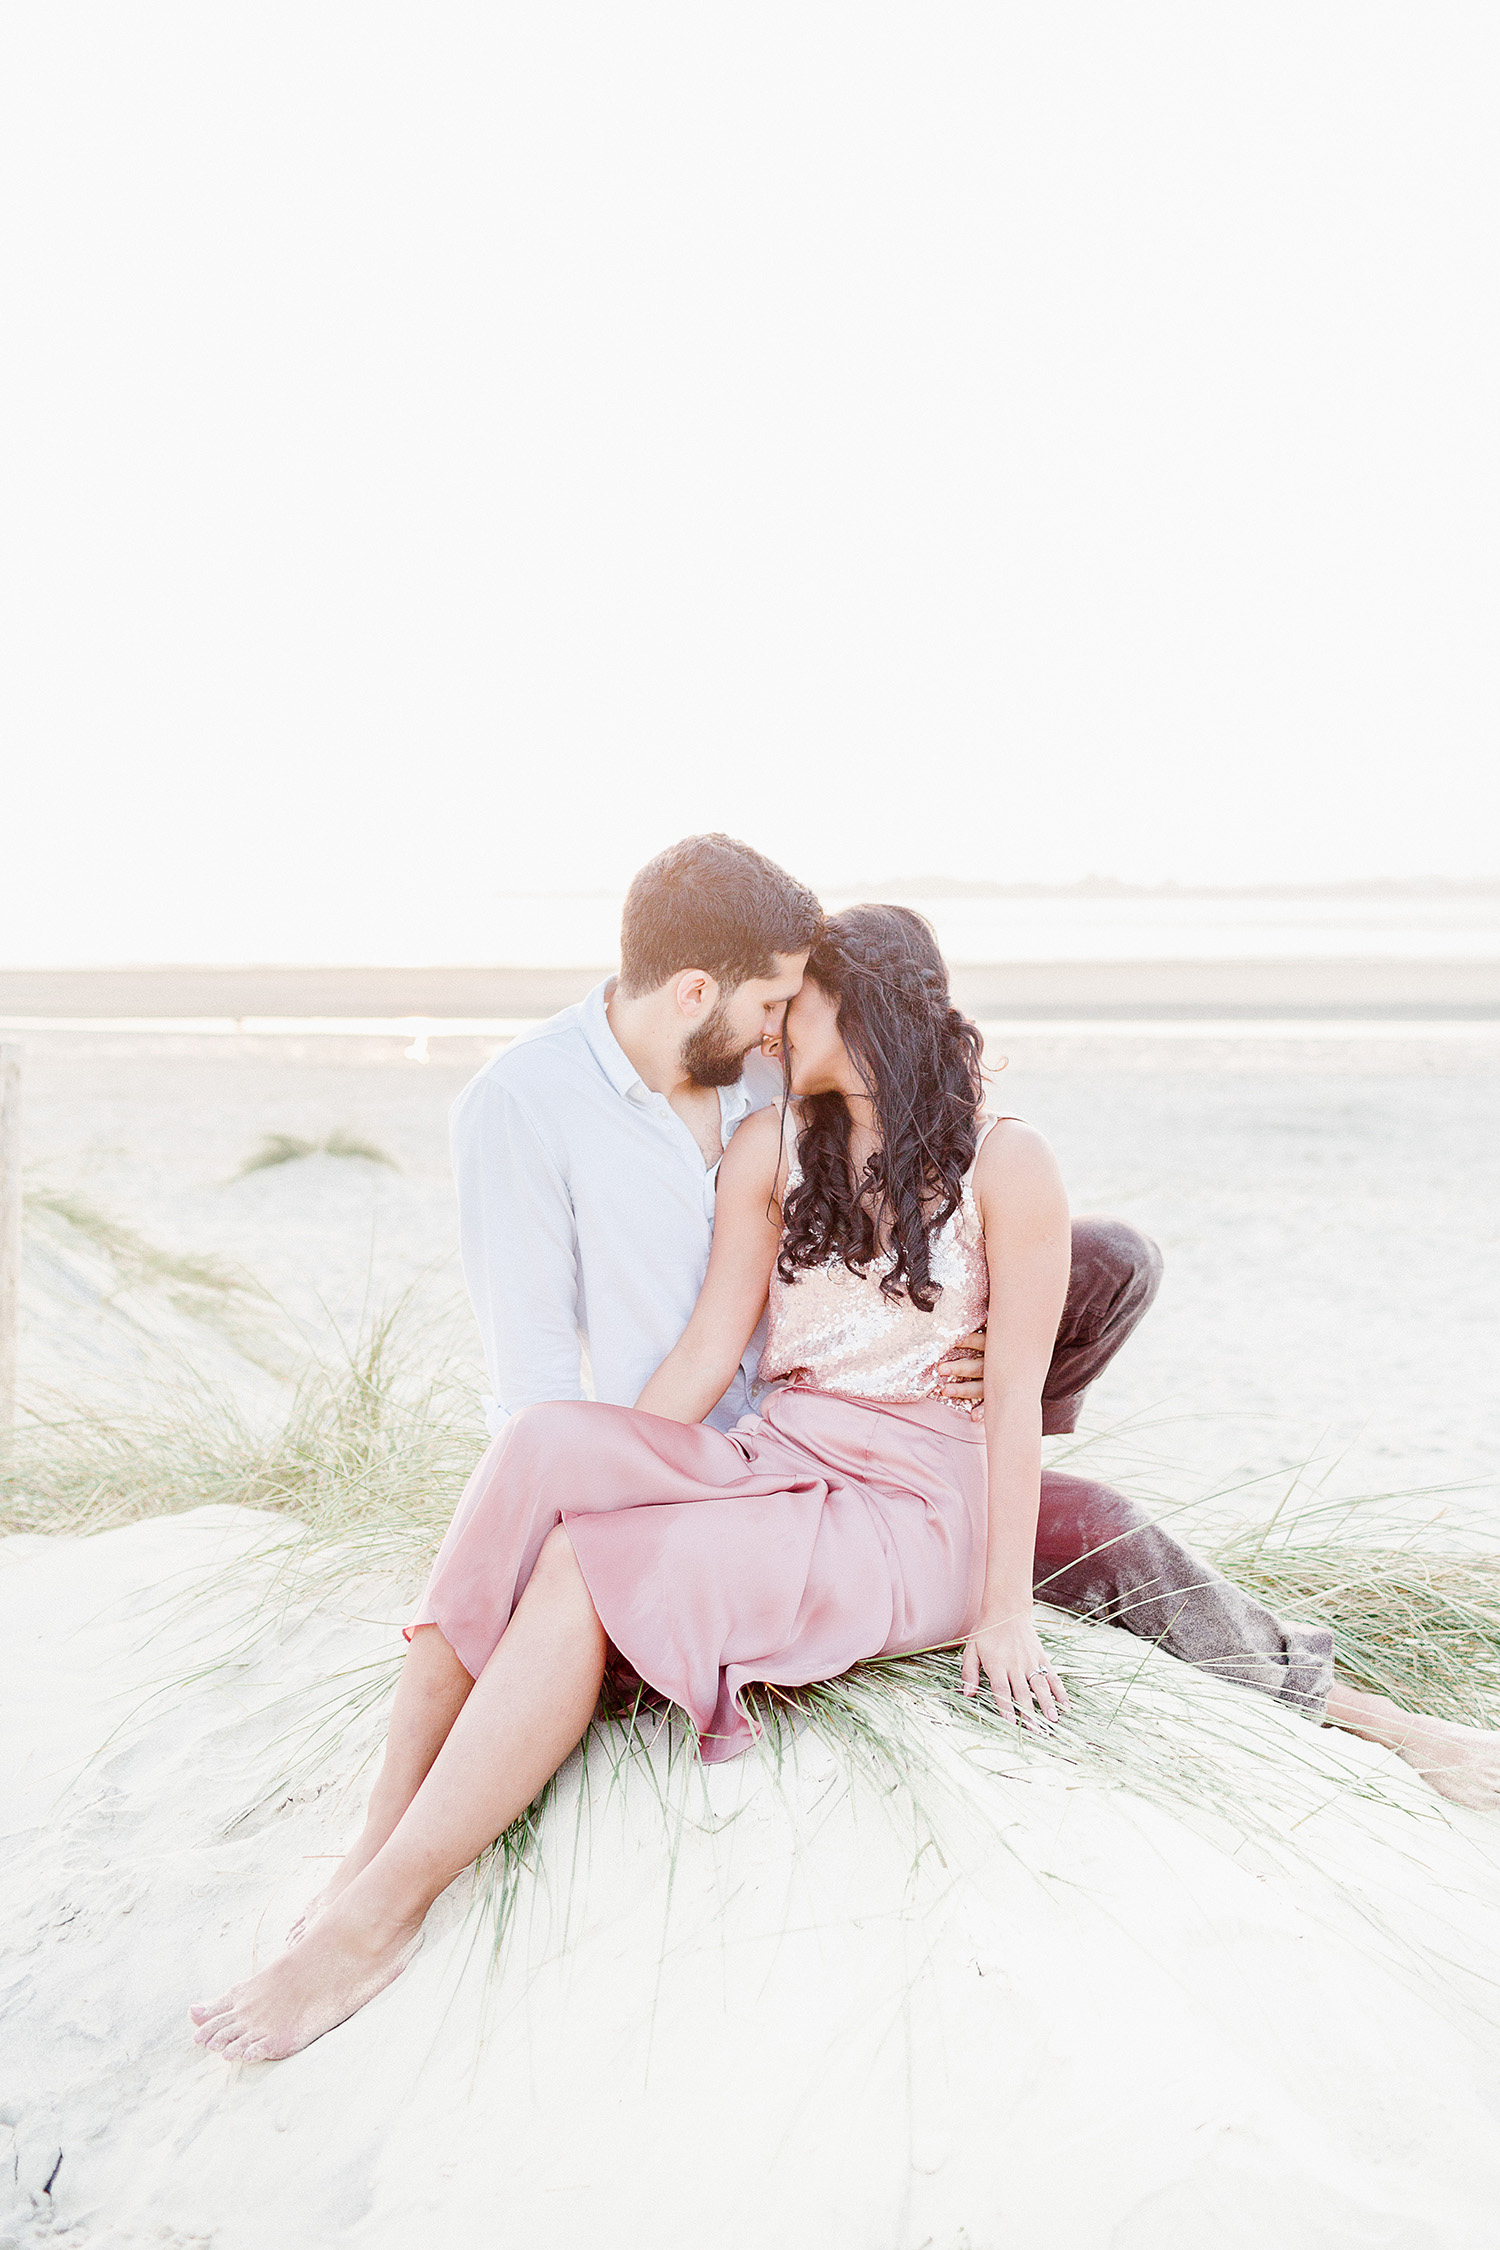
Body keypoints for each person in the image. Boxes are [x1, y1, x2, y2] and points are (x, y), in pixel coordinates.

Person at [192, 873, 1500, 2062]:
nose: (773, 1030)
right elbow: (712, 1345)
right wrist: (623, 1462)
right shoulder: (774, 1145)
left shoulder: (1009, 1162)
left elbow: (1010, 1422)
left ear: (861, 1014)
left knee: (592, 1567)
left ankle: (381, 1911)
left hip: (919, 1507)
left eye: (796, 1005)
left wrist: (1000, 1608)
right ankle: (373, 1840)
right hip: (784, 1457)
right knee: (545, 1447)